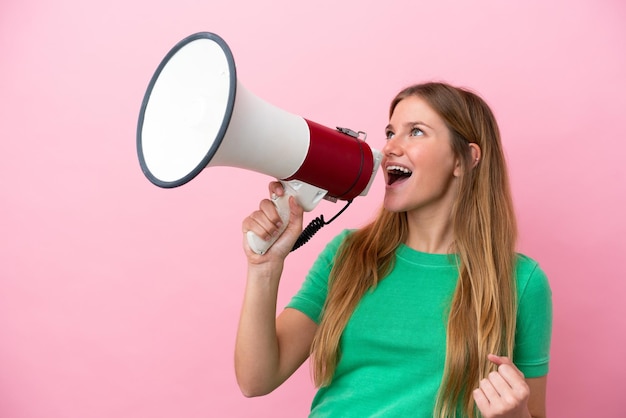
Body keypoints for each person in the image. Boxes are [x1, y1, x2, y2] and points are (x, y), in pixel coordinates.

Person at [235, 82, 552, 418]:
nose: (389, 148)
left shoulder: (521, 282)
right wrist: (264, 267)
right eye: (390, 132)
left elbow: (533, 412)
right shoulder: (348, 254)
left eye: (415, 132)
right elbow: (256, 379)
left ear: (465, 159)